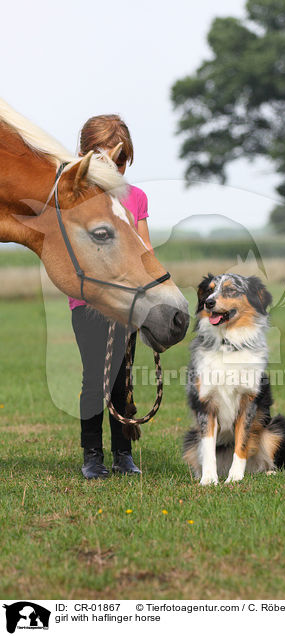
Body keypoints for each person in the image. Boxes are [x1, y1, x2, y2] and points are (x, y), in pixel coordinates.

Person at [69, 114, 152, 479]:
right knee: (94, 378)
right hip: (88, 304)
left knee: (122, 377)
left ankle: (123, 454)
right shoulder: (77, 199)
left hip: (125, 303)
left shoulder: (136, 198)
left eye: (121, 161)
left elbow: (144, 248)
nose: (117, 168)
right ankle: (92, 456)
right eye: (108, 161)